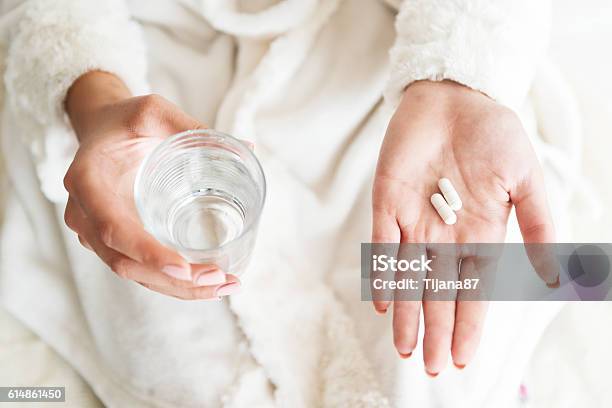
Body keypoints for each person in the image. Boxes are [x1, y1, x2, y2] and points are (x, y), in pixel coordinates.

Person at [0, 0, 566, 406]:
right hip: (143, 75)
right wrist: (93, 103)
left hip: (402, 61)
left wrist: (460, 80)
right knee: (183, 367)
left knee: (441, 357)